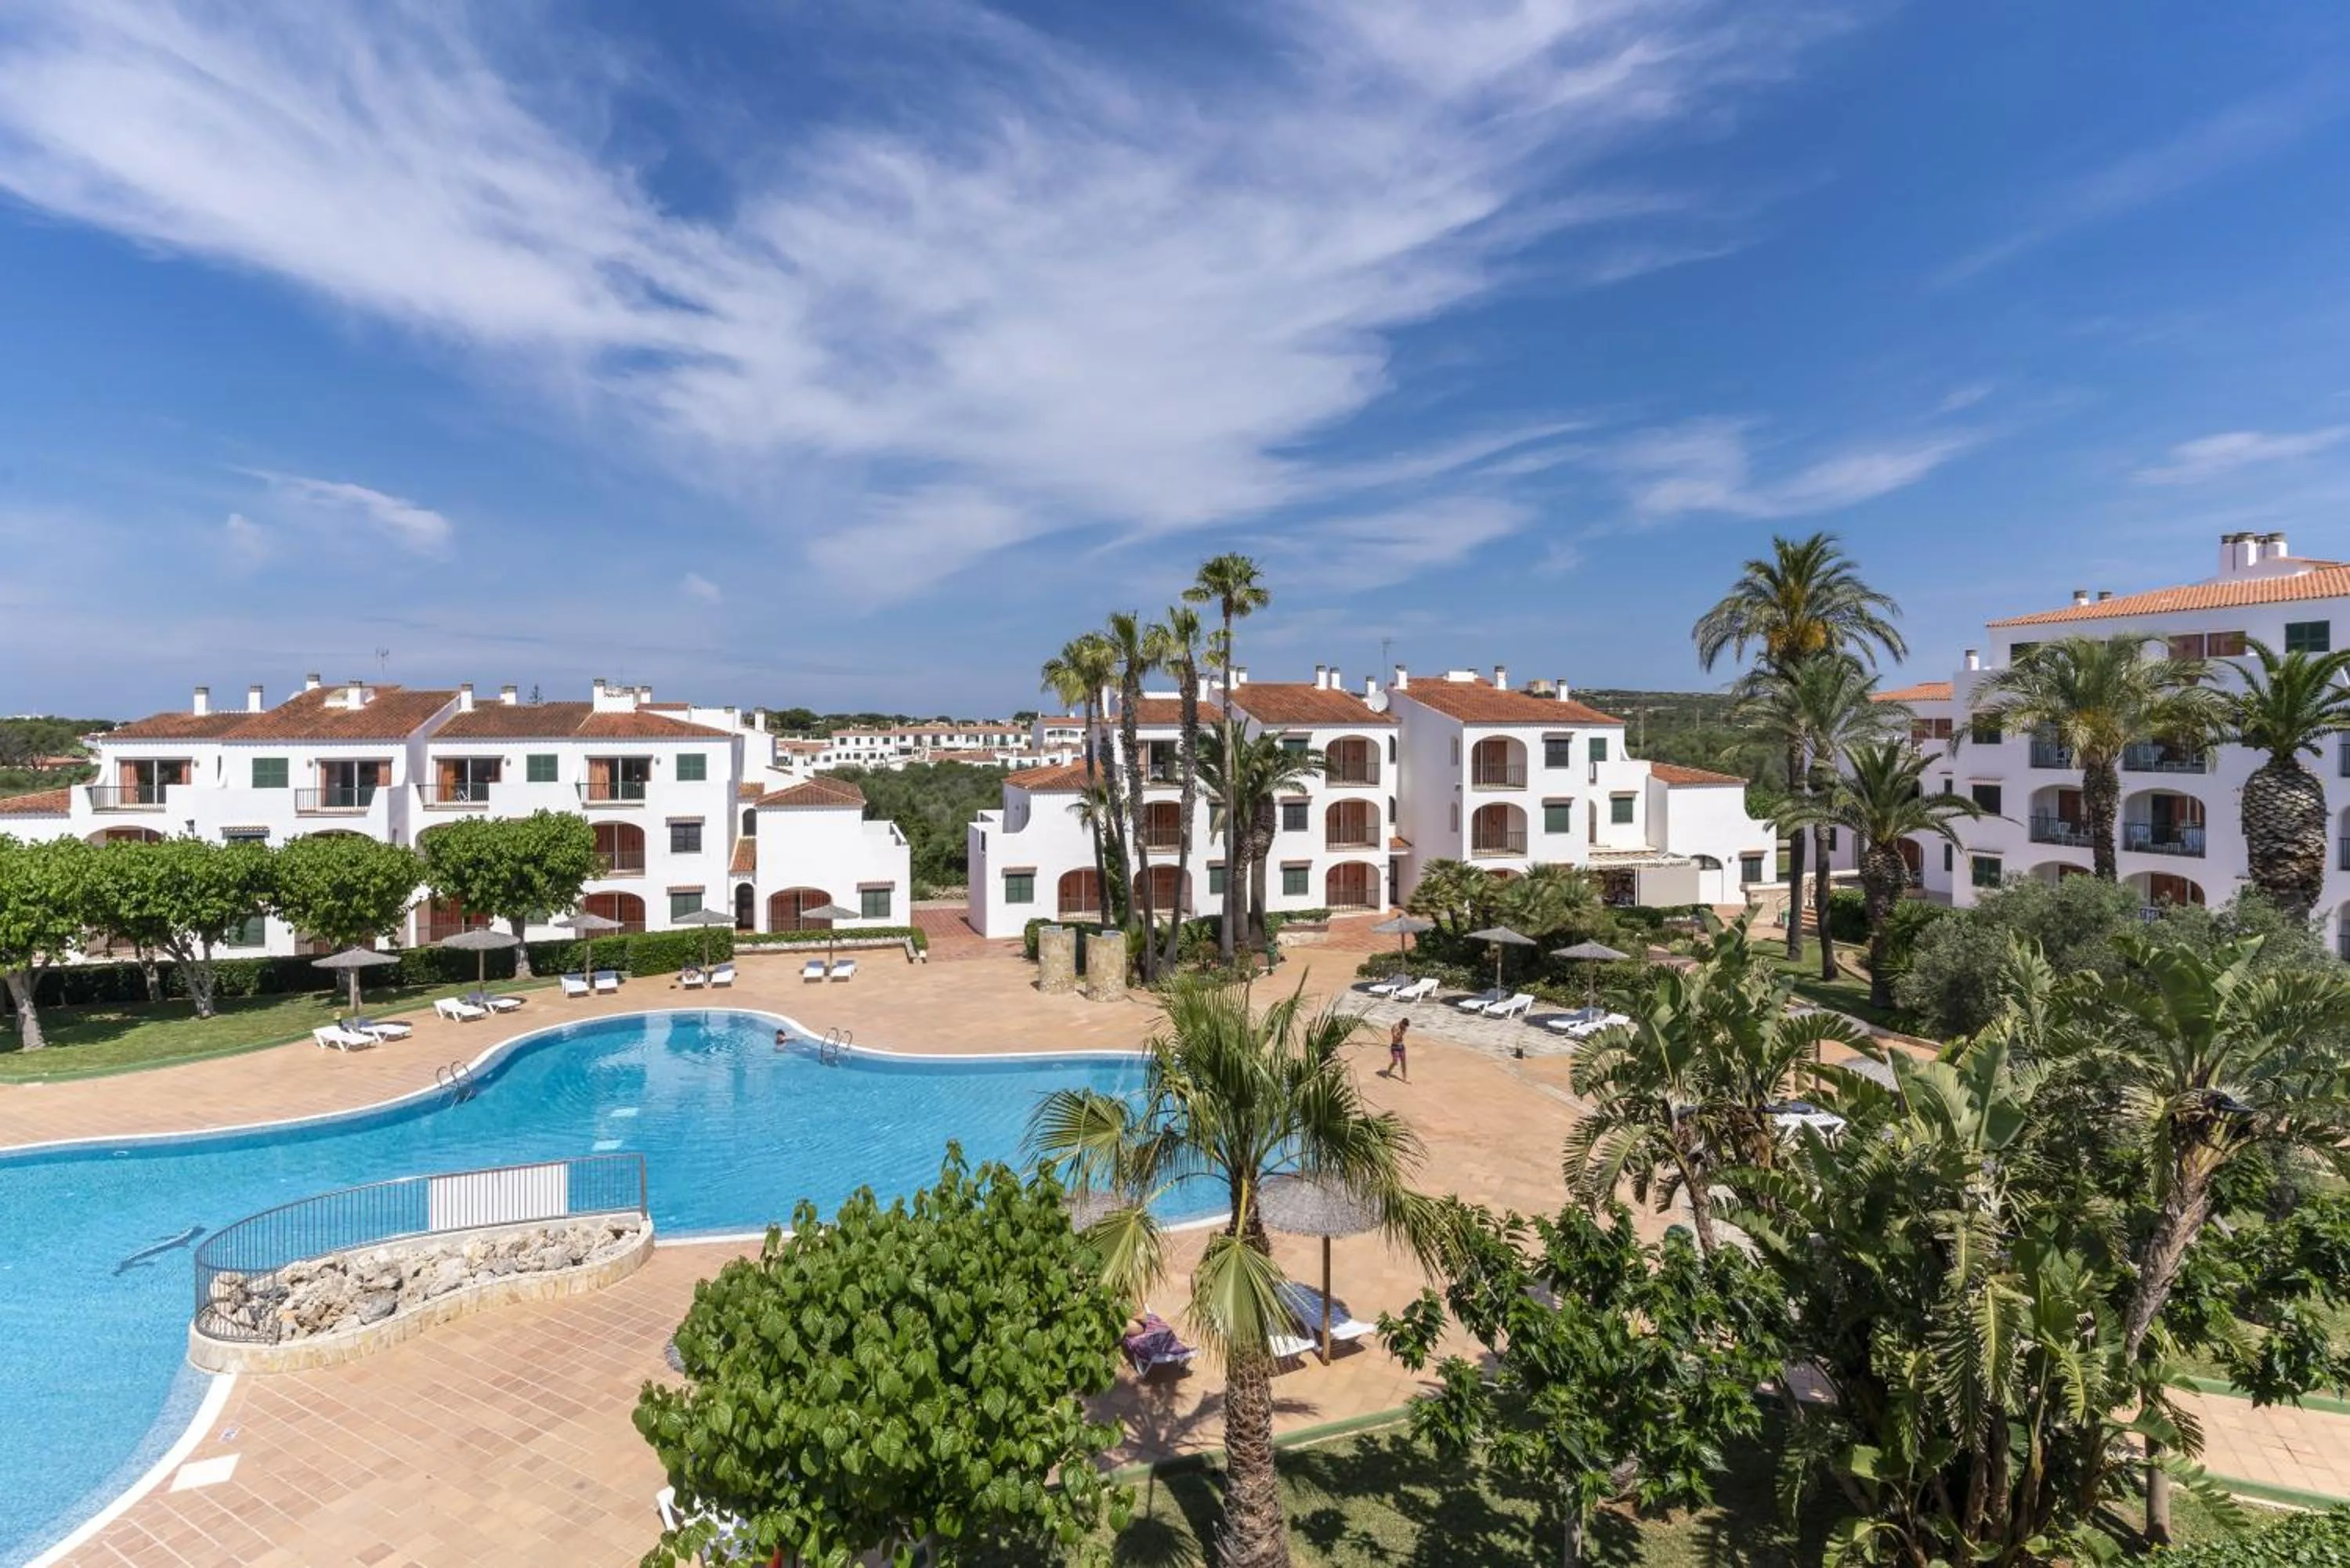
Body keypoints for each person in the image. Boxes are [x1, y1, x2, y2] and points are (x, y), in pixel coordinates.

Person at [1386, 1017, 1410, 1082]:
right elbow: (1395, 1037)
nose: (1405, 1027)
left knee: (1403, 1063)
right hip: (1395, 1047)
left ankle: (1405, 1078)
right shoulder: (1396, 1027)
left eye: (1406, 1026)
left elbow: (1401, 1037)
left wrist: (1402, 1032)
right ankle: (1388, 1072)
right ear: (1402, 1023)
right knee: (1395, 1062)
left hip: (1401, 1047)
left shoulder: (1404, 1028)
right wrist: (1400, 1033)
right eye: (1405, 1026)